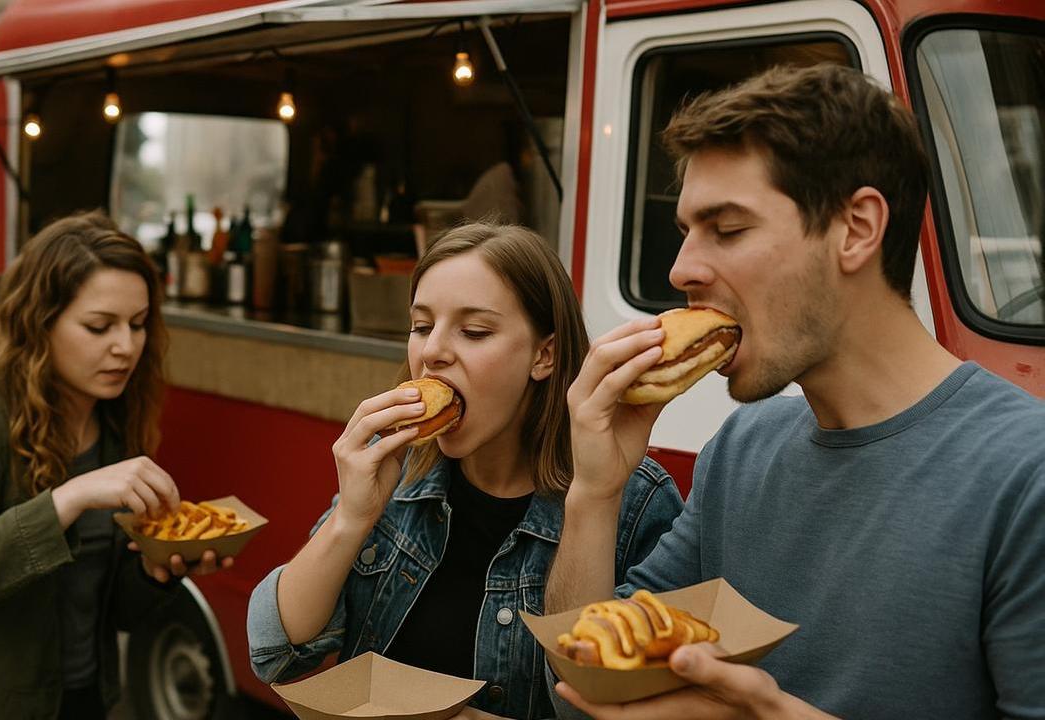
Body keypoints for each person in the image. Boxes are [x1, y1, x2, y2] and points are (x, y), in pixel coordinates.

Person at [546, 64, 1045, 719]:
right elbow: (581, 696)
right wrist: (594, 491)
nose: (682, 268)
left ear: (857, 229)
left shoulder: (1024, 475)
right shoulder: (742, 450)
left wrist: (768, 715)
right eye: (686, 231)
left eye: (727, 230)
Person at [248, 222, 684, 719]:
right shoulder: (400, 467)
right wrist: (351, 517)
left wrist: (595, 496)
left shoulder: (634, 498)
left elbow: (592, 705)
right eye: (420, 326)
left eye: (474, 331)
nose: (432, 351)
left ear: (544, 354)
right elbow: (274, 651)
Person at [0, 214, 224, 719]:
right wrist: (68, 499)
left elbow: (105, 610)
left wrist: (154, 571)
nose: (125, 346)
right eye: (99, 326)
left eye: (139, 323)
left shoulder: (117, 419)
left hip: (76, 697)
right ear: (38, 322)